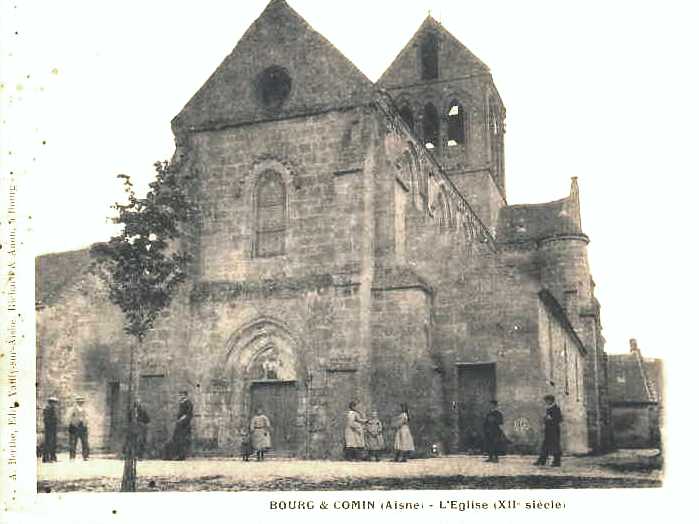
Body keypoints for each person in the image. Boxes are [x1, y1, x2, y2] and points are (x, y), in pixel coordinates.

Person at [534, 394, 563, 467]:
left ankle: (556, 462)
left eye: (547, 400)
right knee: (546, 445)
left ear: (551, 400)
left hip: (554, 430)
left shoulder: (556, 408)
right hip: (549, 430)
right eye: (546, 401)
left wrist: (551, 418)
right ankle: (542, 460)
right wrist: (545, 419)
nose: (546, 402)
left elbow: (559, 419)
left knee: (555, 446)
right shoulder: (549, 408)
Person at [171, 391, 194, 460]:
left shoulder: (188, 403)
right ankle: (178, 455)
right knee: (177, 439)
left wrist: (181, 419)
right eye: (180, 395)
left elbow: (188, 414)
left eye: (181, 395)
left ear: (185, 395)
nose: (180, 397)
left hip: (184, 425)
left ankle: (182, 455)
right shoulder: (181, 403)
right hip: (180, 424)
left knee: (182, 440)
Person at [68, 396, 89, 461]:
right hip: (75, 427)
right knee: (73, 442)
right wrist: (74, 423)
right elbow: (69, 418)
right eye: (79, 401)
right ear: (77, 402)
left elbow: (87, 417)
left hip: (83, 427)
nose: (81, 403)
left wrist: (85, 423)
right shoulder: (73, 409)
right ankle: (72, 457)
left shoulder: (85, 409)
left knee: (85, 442)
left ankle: (85, 456)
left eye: (82, 402)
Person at [42, 397, 59, 463]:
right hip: (49, 428)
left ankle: (52, 457)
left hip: (52, 427)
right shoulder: (48, 408)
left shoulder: (52, 408)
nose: (55, 404)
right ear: (51, 402)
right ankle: (46, 458)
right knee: (48, 443)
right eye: (54, 403)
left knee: (53, 443)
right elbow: (47, 419)